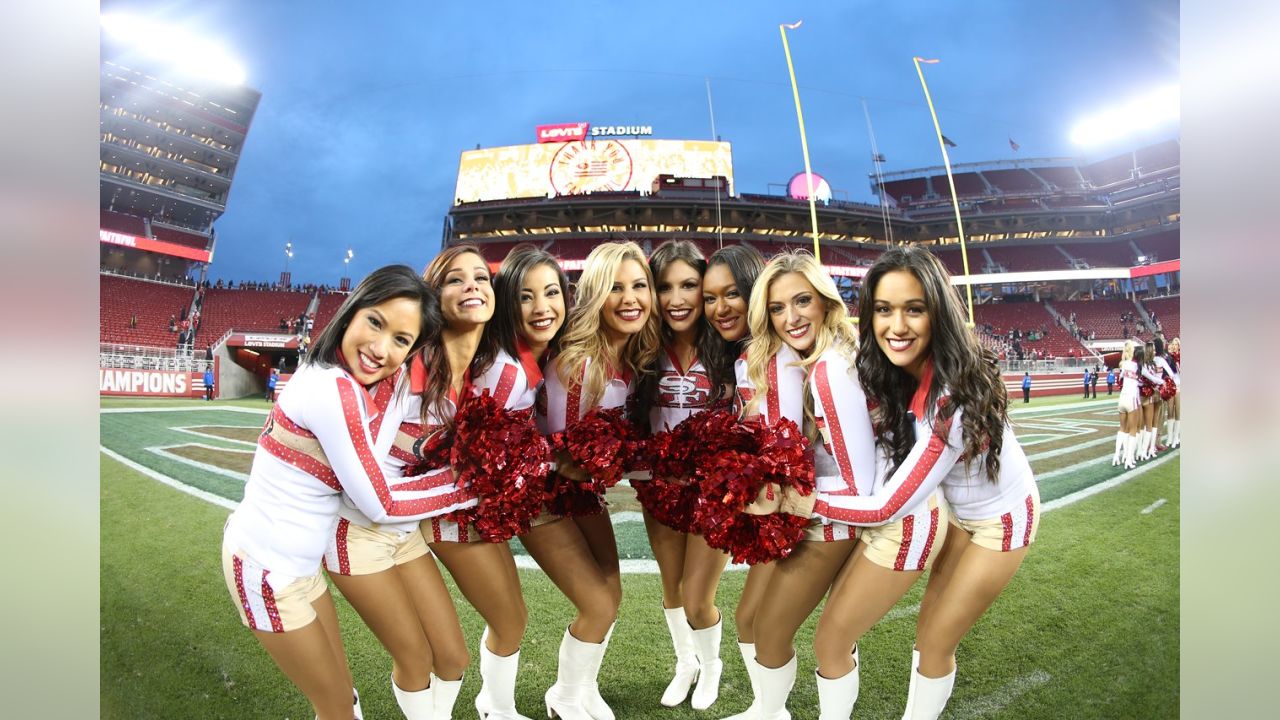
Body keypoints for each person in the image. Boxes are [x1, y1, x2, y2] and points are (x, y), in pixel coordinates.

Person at [763, 246, 1040, 719]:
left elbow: (883, 508)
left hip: (1002, 523)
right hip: (958, 517)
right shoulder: (894, 372)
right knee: (911, 633)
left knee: (934, 640)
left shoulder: (948, 402)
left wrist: (796, 500)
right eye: (884, 310)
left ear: (939, 313)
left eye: (914, 309)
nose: (897, 326)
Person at [221, 265, 457, 720]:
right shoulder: (332, 388)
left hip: (300, 568)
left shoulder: (345, 378)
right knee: (336, 708)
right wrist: (465, 486)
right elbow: (380, 503)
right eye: (375, 322)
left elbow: (384, 440)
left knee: (341, 701)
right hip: (266, 569)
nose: (379, 347)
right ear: (352, 311)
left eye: (401, 340)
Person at [740, 250, 947, 720]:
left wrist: (787, 504)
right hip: (861, 507)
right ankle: (768, 711)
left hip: (866, 513)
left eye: (802, 301)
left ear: (825, 302)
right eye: (776, 308)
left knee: (779, 634)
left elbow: (861, 485)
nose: (790, 318)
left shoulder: (831, 369)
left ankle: (771, 712)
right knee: (794, 632)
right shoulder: (817, 357)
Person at [536, 241, 660, 720]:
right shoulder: (576, 363)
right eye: (615, 288)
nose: (630, 299)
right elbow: (557, 451)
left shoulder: (631, 357)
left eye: (639, 286)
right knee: (597, 604)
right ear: (594, 295)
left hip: (583, 493)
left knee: (611, 593)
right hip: (544, 496)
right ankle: (564, 698)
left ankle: (580, 690)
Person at [413, 244, 533, 720]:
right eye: (456, 279)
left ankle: (495, 706)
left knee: (513, 619)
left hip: (471, 507)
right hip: (415, 514)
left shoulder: (504, 371)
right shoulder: (410, 363)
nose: (473, 287)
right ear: (433, 294)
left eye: (481, 278)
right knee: (440, 650)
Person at [633, 240, 730, 710]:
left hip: (714, 494)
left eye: (689, 285)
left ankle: (712, 664)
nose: (676, 298)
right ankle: (685, 662)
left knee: (697, 597)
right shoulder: (643, 350)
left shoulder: (731, 350)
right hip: (660, 489)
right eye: (665, 286)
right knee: (670, 587)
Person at [701, 244, 785, 720]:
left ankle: (770, 710)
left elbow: (790, 438)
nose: (719, 308)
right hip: (780, 505)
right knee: (751, 619)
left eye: (732, 293)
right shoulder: (743, 355)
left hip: (806, 507)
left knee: (756, 620)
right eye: (710, 298)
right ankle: (767, 709)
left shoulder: (771, 352)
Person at [1113, 341, 1142, 469]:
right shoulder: (1137, 366)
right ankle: (1129, 459)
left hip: (1122, 400)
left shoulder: (1123, 364)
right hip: (1132, 399)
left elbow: (1120, 379)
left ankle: (1116, 457)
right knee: (1133, 430)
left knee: (1122, 429)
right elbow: (1144, 381)